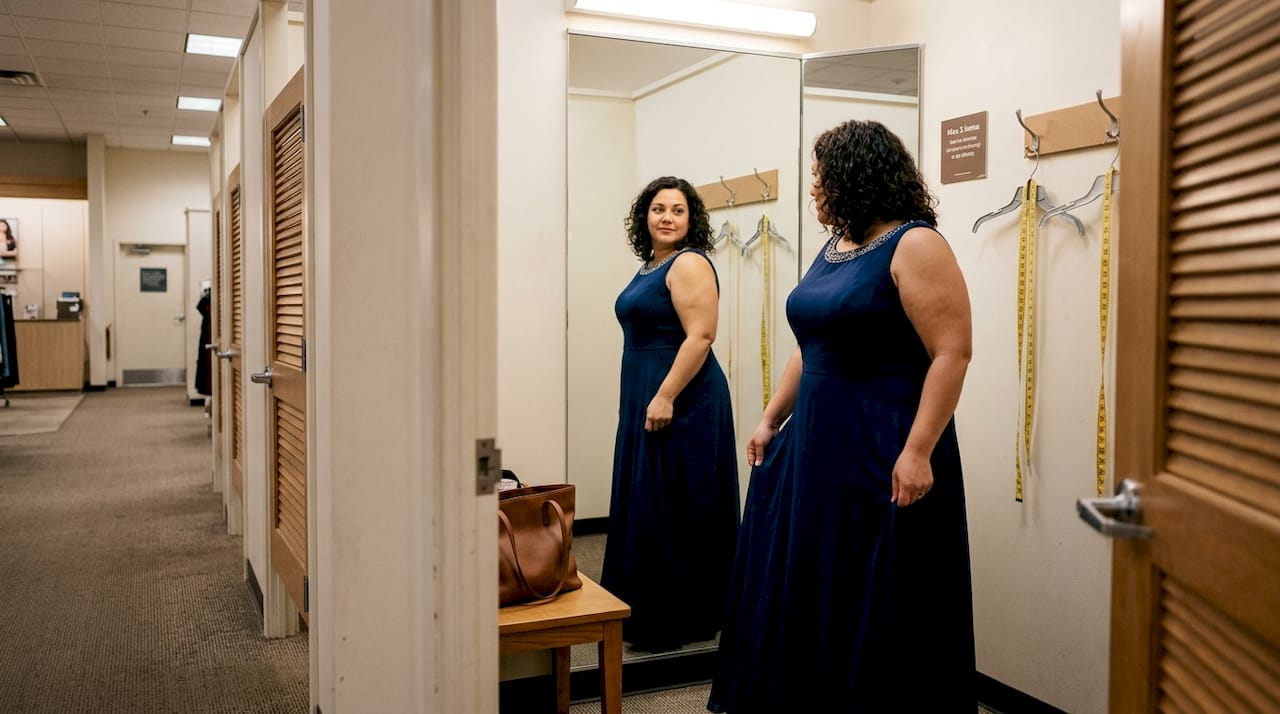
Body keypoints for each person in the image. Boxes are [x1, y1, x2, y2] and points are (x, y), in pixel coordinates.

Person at [708, 120, 976, 712]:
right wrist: (772, 417)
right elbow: (811, 345)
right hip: (818, 442)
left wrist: (918, 450)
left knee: (871, 586)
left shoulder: (916, 244)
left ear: (857, 175)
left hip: (882, 441)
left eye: (821, 177)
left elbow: (951, 352)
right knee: (818, 577)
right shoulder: (836, 249)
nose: (814, 189)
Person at [601, 175, 741, 652]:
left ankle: (683, 615)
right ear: (645, 215)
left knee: (680, 502)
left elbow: (701, 335)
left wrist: (664, 396)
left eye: (677, 210)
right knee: (651, 499)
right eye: (659, 208)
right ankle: (647, 607)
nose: (667, 217)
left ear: (691, 219)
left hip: (685, 398)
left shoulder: (688, 264)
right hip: (648, 390)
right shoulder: (649, 266)